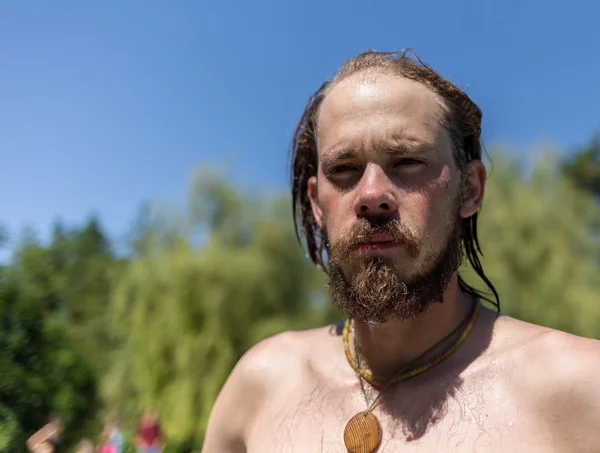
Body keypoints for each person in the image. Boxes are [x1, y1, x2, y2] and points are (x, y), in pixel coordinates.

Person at [201, 49, 600, 452]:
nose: (372, 196)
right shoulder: (259, 387)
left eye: (407, 160)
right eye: (344, 169)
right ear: (317, 204)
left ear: (471, 189)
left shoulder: (581, 388)